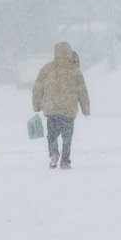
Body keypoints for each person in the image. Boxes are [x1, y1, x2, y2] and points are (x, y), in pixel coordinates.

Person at [32, 41, 90, 169]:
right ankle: (65, 161)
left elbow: (37, 88)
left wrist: (36, 105)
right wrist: (85, 109)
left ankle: (53, 154)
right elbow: (82, 91)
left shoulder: (47, 68)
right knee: (67, 138)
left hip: (52, 110)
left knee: (52, 135)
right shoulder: (75, 70)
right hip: (68, 110)